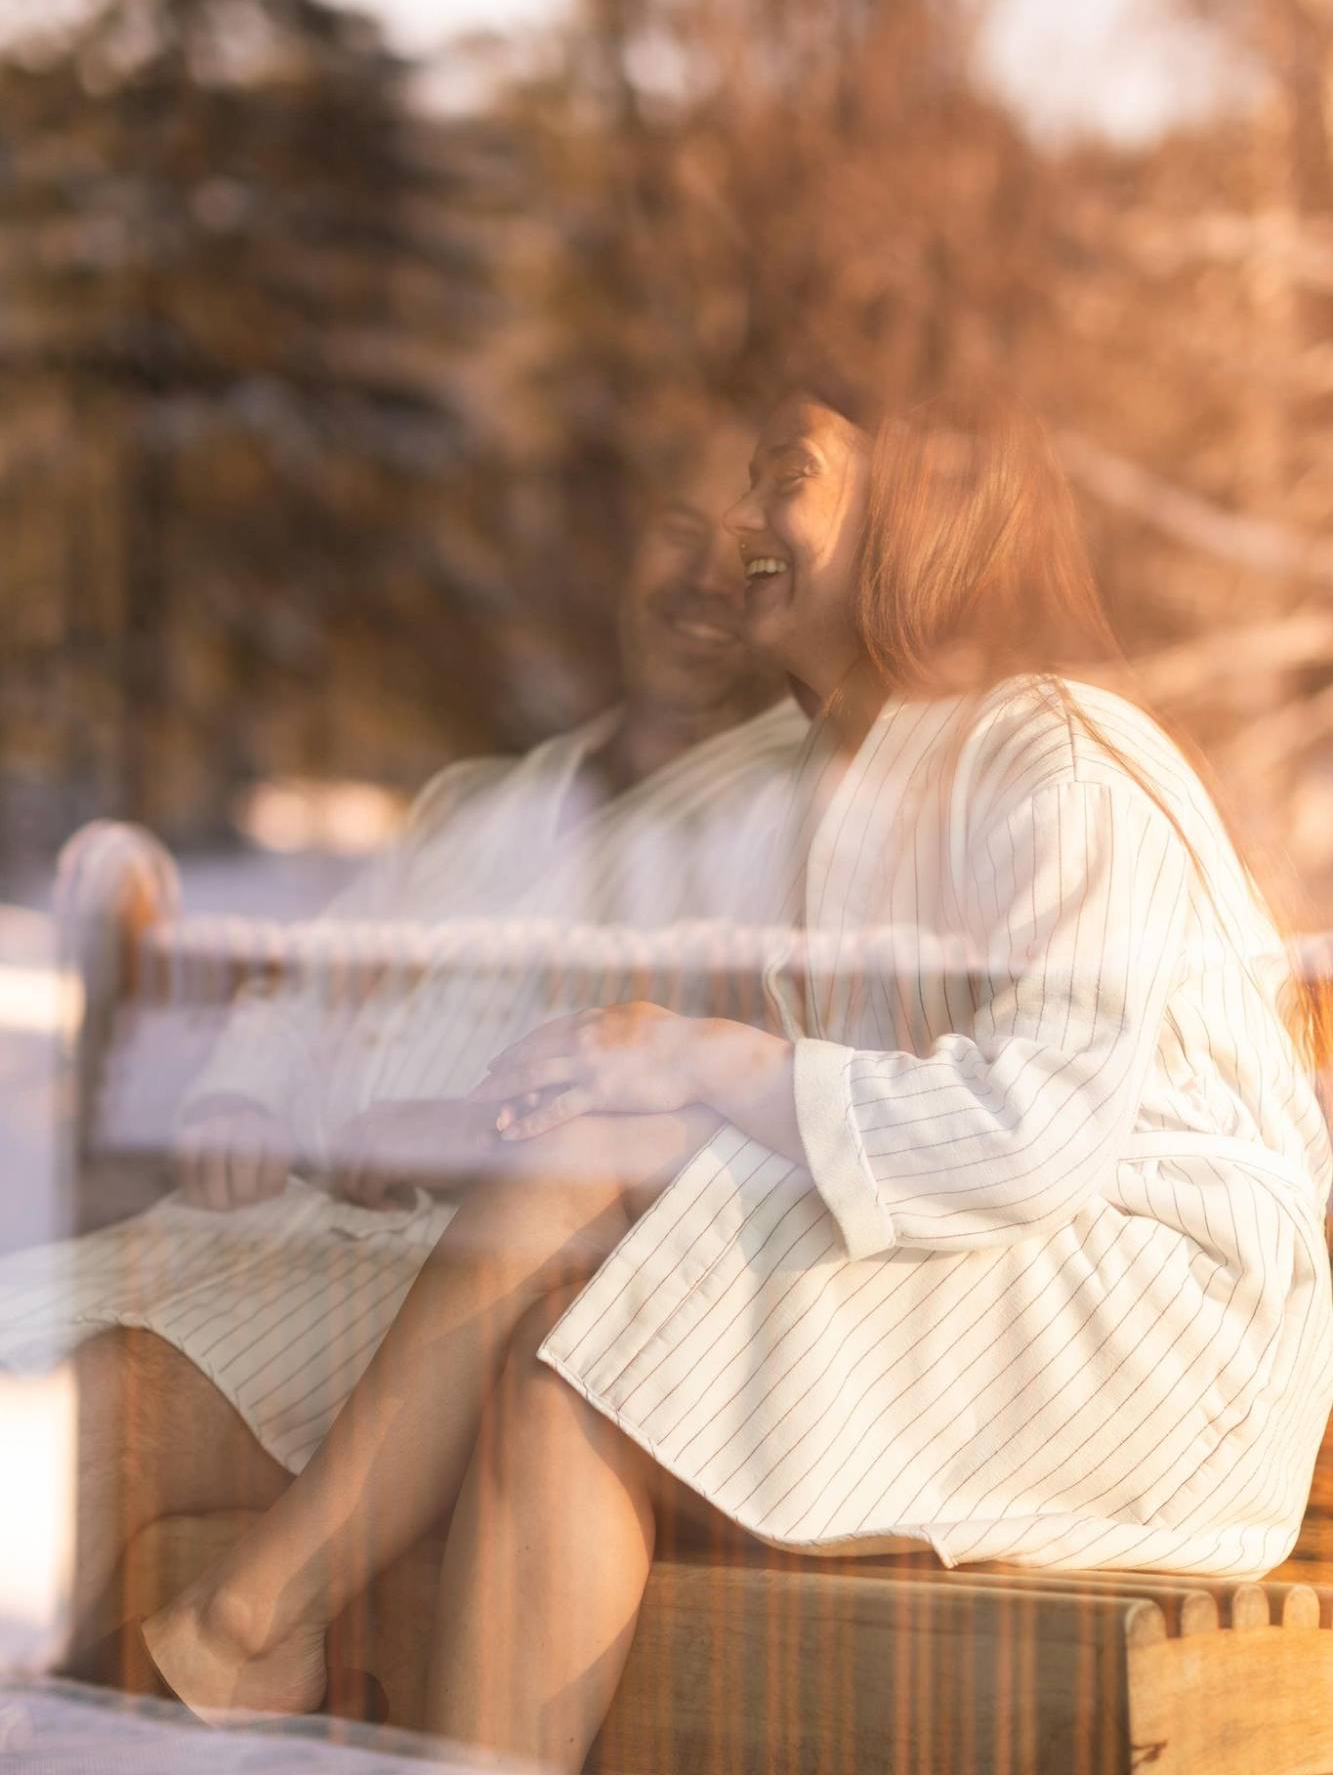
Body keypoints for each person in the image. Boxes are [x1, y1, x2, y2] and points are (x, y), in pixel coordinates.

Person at [111, 394, 1333, 1768]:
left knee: (600, 1275)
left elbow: (1030, 1130)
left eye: (785, 477)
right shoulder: (848, 785)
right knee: (573, 1349)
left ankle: (252, 1619)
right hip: (1006, 1273)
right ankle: (264, 1628)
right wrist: (498, 1113)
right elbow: (768, 1110)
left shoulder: (1052, 748)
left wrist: (703, 1058)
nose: (742, 524)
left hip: (1169, 1329)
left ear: (920, 506)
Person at [0, 436, 805, 1663]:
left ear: (797, 586)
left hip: (442, 1290)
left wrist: (468, 1131)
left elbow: (725, 1103)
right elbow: (307, 986)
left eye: (744, 556)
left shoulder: (798, 810)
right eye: (676, 531)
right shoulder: (481, 798)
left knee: (96, 1410)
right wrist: (239, 1097)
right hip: (254, 1230)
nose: (701, 576)